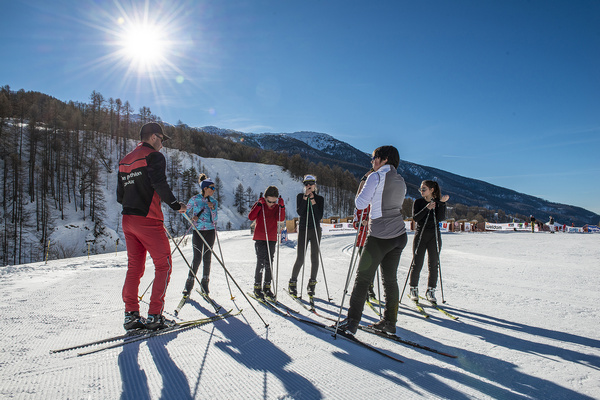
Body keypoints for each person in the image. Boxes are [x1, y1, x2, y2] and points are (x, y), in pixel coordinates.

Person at [117, 122, 187, 331]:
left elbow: (120, 196)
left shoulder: (125, 160)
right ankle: (155, 316)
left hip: (128, 220)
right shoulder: (153, 156)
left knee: (135, 267)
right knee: (163, 265)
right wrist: (176, 205)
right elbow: (159, 183)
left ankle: (131, 315)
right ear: (154, 136)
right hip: (148, 219)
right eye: (162, 139)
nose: (162, 145)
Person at [338, 145, 407, 334]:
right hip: (399, 235)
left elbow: (360, 203)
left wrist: (364, 182)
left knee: (362, 279)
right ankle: (389, 322)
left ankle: (351, 323)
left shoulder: (375, 176)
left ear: (383, 159)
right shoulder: (401, 180)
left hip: (379, 235)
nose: (372, 161)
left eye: (374, 157)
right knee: (390, 281)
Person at [408, 180, 449, 304]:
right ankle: (413, 288)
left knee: (433, 264)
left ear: (432, 190)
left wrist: (441, 204)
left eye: (424, 189)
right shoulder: (418, 202)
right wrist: (427, 208)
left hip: (434, 236)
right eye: (420, 189)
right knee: (417, 263)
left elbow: (441, 218)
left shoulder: (438, 202)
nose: (421, 191)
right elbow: (416, 218)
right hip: (420, 235)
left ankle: (431, 290)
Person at [288, 175, 325, 297]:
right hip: (303, 229)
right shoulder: (300, 197)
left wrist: (313, 200)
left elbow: (318, 215)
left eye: (311, 184)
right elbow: (300, 212)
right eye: (306, 184)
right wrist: (305, 198)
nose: (308, 186)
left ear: (315, 185)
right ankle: (292, 283)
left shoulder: (320, 199)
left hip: (315, 229)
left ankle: (312, 284)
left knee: (314, 257)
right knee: (300, 258)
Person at [182, 174, 218, 297]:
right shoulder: (194, 199)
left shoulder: (213, 202)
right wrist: (192, 218)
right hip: (197, 231)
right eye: (211, 188)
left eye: (214, 188)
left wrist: (212, 209)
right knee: (196, 258)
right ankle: (189, 284)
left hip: (210, 231)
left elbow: (215, 219)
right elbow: (184, 212)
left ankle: (205, 283)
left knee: (207, 257)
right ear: (205, 188)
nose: (213, 190)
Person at [248, 186, 285, 300]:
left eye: (274, 202)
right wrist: (259, 205)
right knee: (261, 261)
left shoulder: (277, 207)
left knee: (269, 262)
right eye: (269, 201)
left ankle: (267, 287)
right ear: (265, 198)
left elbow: (281, 218)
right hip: (260, 237)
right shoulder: (261, 205)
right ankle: (257, 287)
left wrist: (282, 206)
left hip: (272, 238)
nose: (271, 204)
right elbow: (251, 217)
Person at [353, 205, 377, 299]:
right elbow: (354, 224)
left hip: (373, 239)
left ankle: (370, 287)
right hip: (362, 240)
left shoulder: (373, 206)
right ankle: (363, 289)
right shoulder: (358, 209)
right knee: (364, 265)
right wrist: (361, 223)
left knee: (372, 265)